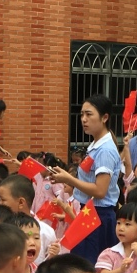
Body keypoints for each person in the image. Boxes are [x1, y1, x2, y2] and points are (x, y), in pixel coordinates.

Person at [48, 94, 123, 261]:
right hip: (89, 213)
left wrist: (69, 179)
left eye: (89, 114)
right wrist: (64, 177)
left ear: (104, 117)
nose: (83, 119)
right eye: (82, 114)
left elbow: (100, 191)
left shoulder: (105, 150)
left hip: (98, 216)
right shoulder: (96, 146)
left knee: (91, 265)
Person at [95, 203, 137, 273]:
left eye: (127, 224)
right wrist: (121, 270)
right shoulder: (110, 253)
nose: (121, 228)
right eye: (118, 223)